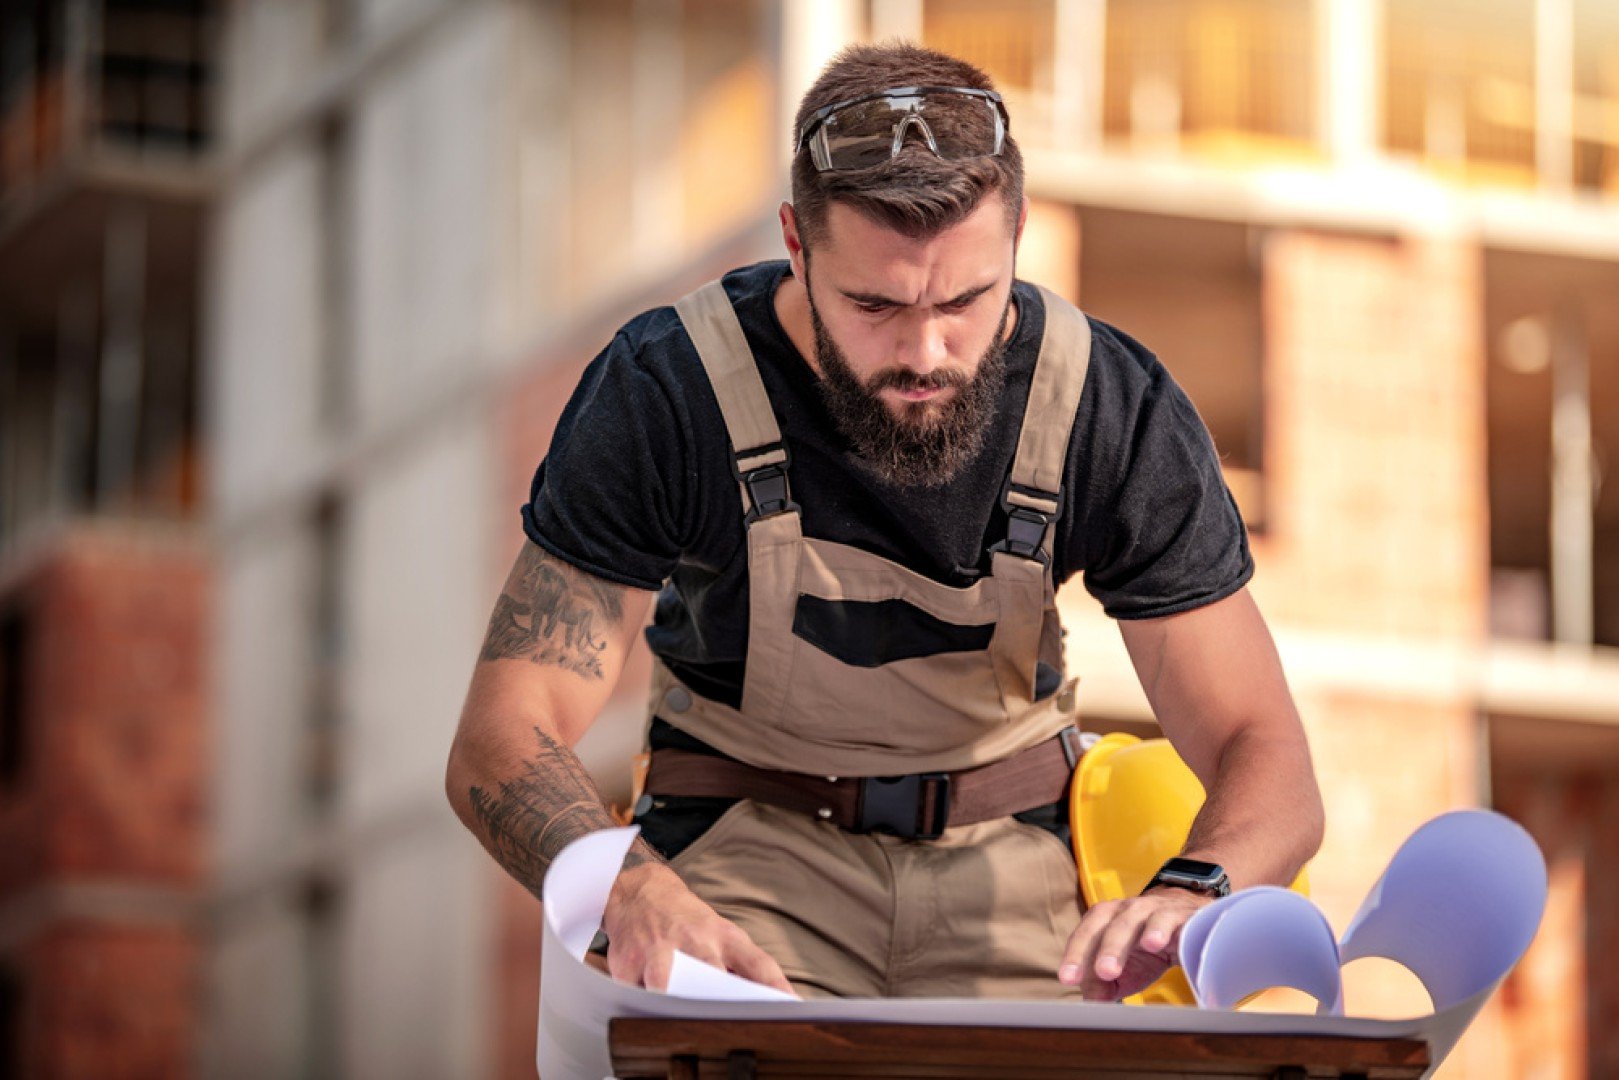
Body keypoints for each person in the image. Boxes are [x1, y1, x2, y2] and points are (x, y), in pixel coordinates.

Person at [446, 42, 1323, 1003]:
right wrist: (623, 887)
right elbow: (502, 734)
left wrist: (1200, 885)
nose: (924, 350)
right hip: (747, 870)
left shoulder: (1107, 406)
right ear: (794, 241)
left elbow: (1263, 749)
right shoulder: (670, 389)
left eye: (965, 299)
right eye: (872, 303)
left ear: (1019, 233)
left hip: (1016, 879)